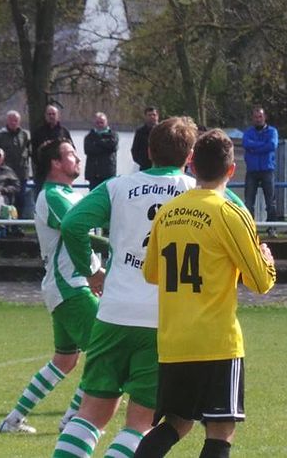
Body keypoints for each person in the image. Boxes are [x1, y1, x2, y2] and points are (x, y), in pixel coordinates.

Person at [52, 117, 200, 458]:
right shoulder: (198, 192)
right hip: (162, 319)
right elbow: (240, 221)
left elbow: (73, 224)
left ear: (148, 150)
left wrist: (92, 271)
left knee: (90, 414)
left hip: (114, 314)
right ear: (190, 156)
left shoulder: (118, 187)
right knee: (139, 423)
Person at [134, 129, 276, 458]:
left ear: (193, 166)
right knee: (221, 429)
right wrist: (266, 261)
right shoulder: (229, 213)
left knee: (176, 423)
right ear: (231, 170)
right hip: (216, 343)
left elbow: (151, 273)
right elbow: (260, 282)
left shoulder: (167, 213)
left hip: (174, 342)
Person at [0, 140, 102, 435]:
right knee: (105, 351)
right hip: (71, 286)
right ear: (55, 163)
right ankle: (72, 419)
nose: (77, 158)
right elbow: (76, 231)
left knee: (65, 360)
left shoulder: (69, 194)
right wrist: (104, 261)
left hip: (66, 286)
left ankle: (13, 420)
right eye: (70, 154)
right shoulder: (53, 196)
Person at [241, 106, 279, 237]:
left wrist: (254, 147)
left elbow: (272, 145)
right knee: (249, 202)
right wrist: (263, 145)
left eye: (260, 116)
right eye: (256, 117)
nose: (258, 119)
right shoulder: (248, 132)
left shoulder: (272, 131)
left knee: (271, 202)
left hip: (267, 169)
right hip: (252, 170)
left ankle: (272, 228)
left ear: (265, 117)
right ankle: (249, 227)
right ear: (252, 118)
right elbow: (246, 144)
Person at [0, 110, 32, 234]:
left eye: (15, 120)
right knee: (7, 201)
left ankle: (17, 226)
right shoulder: (1, 136)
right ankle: (5, 226)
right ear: (7, 121)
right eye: (11, 120)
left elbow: (30, 152)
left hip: (21, 173)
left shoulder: (25, 135)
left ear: (19, 121)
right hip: (6, 174)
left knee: (20, 201)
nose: (13, 122)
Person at [31, 104, 74, 193]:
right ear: (45, 116)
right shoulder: (38, 132)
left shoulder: (64, 132)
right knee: (41, 196)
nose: (51, 116)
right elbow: (33, 153)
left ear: (58, 116)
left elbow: (72, 151)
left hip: (61, 173)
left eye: (53, 114)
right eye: (49, 114)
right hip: (43, 173)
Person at [83, 112, 118, 189]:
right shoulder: (89, 136)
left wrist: (97, 142)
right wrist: (104, 146)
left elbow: (112, 146)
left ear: (106, 122)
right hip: (93, 175)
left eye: (102, 122)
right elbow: (88, 150)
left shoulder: (113, 135)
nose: (99, 124)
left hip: (108, 174)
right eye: (97, 122)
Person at [131, 106, 159, 171]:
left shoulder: (163, 131)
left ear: (158, 116)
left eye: (154, 115)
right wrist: (142, 162)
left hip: (160, 167)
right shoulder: (140, 132)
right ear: (145, 117)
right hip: (145, 167)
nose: (152, 117)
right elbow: (134, 150)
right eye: (149, 115)